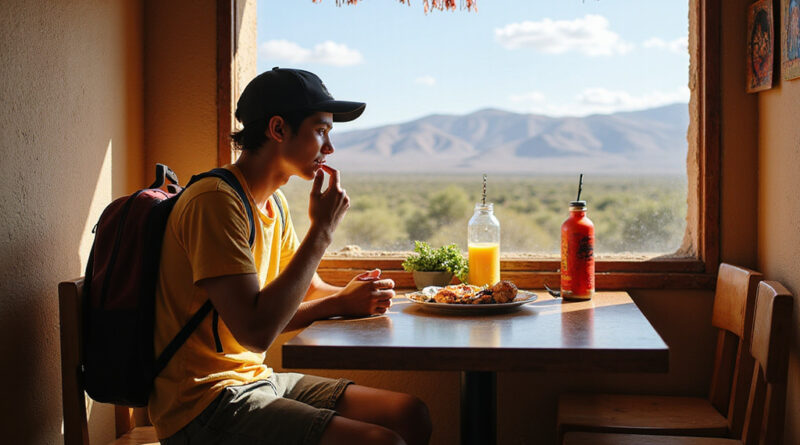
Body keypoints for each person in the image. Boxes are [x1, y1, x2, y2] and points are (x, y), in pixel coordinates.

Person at [148, 67, 432, 445]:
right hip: (202, 404)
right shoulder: (215, 201)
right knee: (383, 443)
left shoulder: (273, 204)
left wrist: (353, 295)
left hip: (256, 380)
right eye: (320, 131)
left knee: (409, 414)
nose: (329, 148)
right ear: (279, 129)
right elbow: (256, 331)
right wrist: (321, 233)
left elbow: (308, 289)